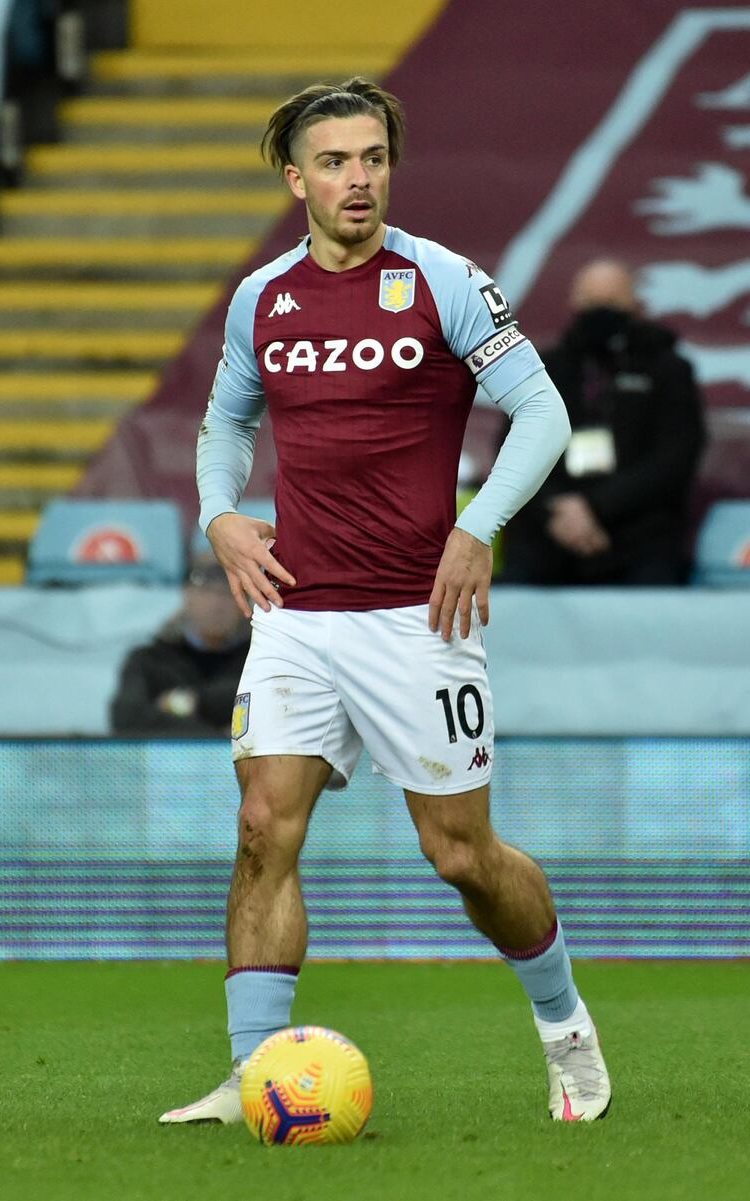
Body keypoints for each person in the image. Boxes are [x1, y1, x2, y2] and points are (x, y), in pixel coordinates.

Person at [159, 78, 611, 1126]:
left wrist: (475, 526)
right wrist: (219, 513)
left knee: (458, 854)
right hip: (298, 612)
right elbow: (223, 423)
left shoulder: (444, 282)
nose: (355, 179)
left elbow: (538, 416)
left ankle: (563, 1026)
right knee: (263, 825)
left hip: (418, 618)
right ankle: (252, 1072)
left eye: (371, 159)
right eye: (333, 162)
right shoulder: (261, 298)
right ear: (295, 178)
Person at [500, 258, 706, 585]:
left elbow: (675, 459)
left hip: (638, 533)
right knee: (515, 583)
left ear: (635, 304)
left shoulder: (668, 369)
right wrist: (558, 509)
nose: (601, 312)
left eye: (611, 303)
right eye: (593, 303)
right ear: (575, 303)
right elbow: (511, 449)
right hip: (553, 529)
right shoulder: (543, 369)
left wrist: (595, 506)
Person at [110, 549, 249, 737]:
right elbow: (127, 720)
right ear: (186, 595)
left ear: (244, 603)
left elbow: (268, 711)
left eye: (228, 592)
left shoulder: (256, 661)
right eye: (206, 591)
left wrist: (191, 702)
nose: (216, 604)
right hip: (165, 766)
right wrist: (219, 736)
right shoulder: (148, 661)